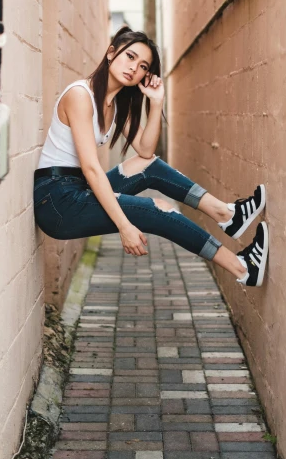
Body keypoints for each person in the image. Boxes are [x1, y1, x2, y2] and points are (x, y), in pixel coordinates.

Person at [34, 27, 268, 287]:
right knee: (159, 209)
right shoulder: (80, 96)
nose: (134, 68)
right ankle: (243, 269)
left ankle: (226, 215)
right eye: (130, 57)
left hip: (79, 189)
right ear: (111, 53)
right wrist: (125, 226)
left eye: (143, 66)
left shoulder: (117, 103)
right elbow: (91, 168)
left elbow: (145, 151)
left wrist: (156, 103)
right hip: (57, 202)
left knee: (148, 165)